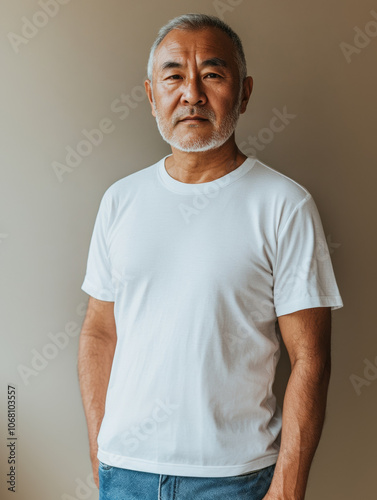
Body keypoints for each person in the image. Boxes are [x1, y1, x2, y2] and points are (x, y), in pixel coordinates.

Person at [78, 13, 343, 500]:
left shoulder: (284, 204)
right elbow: (99, 330)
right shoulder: (121, 200)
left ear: (243, 94)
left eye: (213, 75)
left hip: (233, 480)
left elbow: (311, 359)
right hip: (123, 475)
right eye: (174, 75)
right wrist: (100, 448)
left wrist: (287, 490)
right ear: (150, 94)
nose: (192, 93)